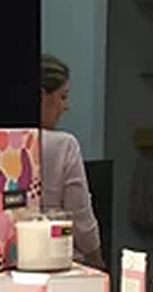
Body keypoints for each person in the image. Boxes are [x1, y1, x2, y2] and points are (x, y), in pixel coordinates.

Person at [39, 55, 105, 268]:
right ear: (41, 96)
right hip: (62, 263)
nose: (65, 107)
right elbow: (80, 217)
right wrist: (97, 260)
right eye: (63, 97)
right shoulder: (63, 145)